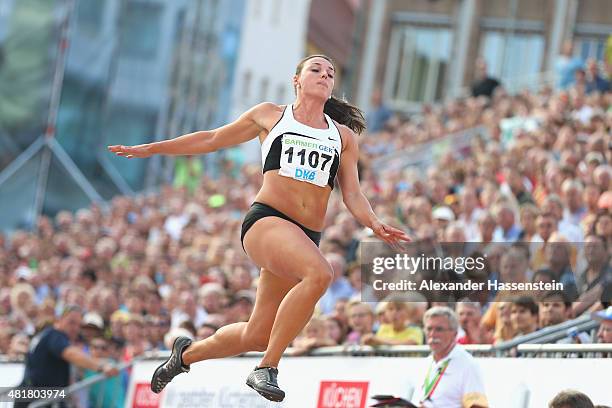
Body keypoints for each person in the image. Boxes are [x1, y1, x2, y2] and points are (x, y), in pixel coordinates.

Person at [108, 54, 410, 402]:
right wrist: (152, 149)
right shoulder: (271, 114)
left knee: (257, 334)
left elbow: (353, 194)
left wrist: (374, 223)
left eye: (330, 73)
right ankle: (267, 368)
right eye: (316, 69)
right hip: (267, 221)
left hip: (305, 235)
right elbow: (211, 139)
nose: (324, 76)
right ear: (296, 79)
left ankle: (184, 356)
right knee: (320, 275)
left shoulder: (342, 136)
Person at [15, 306, 119, 408]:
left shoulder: (46, 335)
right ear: (59, 319)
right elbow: (70, 353)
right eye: (71, 322)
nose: (75, 328)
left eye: (79, 325)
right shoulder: (55, 335)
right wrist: (101, 366)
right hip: (37, 398)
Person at [414, 306, 488, 408]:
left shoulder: (467, 364)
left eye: (439, 329)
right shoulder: (425, 363)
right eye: (429, 329)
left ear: (454, 333)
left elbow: (477, 406)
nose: (432, 334)